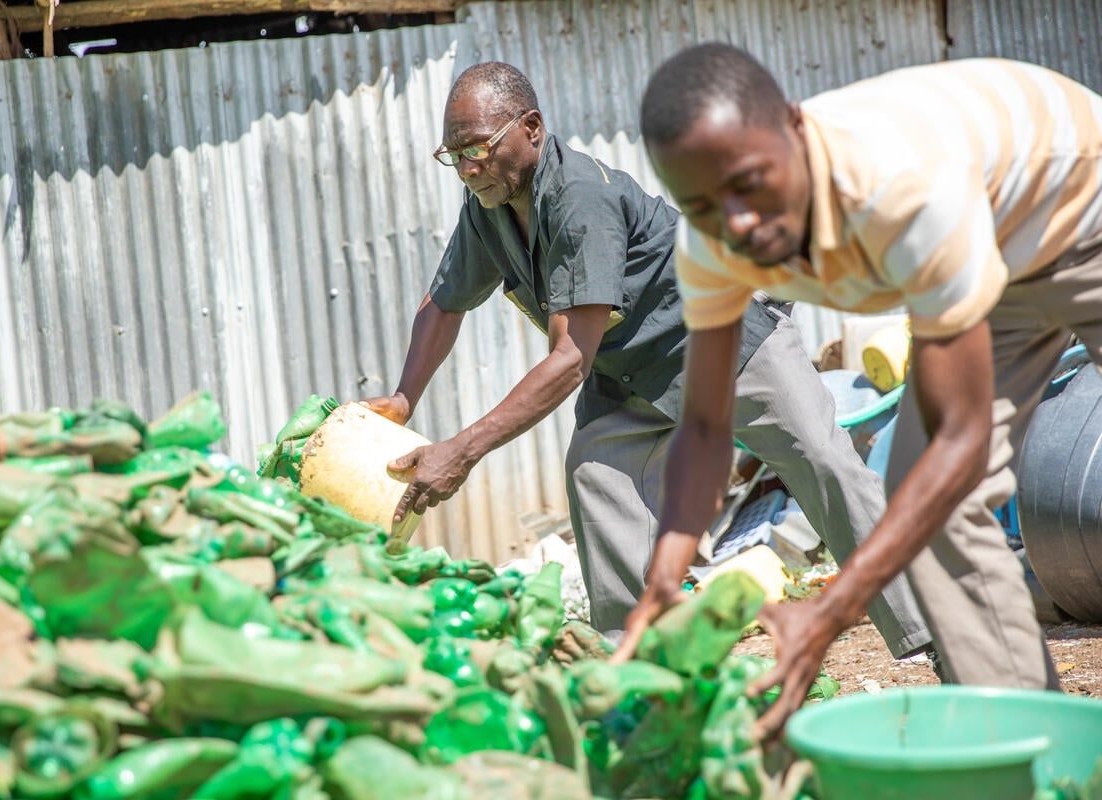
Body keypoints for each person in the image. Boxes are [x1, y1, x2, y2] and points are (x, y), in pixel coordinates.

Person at [363, 61, 930, 657]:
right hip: (632, 376)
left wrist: (462, 450)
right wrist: (404, 398)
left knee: (823, 463)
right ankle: (640, 670)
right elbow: (443, 303)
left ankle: (931, 631)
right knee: (598, 475)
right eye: (453, 155)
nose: (468, 167)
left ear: (531, 127)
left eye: (478, 148)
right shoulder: (487, 207)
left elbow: (568, 361)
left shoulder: (581, 197)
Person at [626, 42, 1098, 737]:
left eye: (751, 183)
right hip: (989, 249)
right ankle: (1034, 749)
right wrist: (667, 570)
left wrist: (832, 611)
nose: (738, 225)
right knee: (927, 496)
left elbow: (962, 440)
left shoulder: (896, 183)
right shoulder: (711, 241)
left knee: (937, 474)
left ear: (794, 126)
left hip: (1081, 197)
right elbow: (703, 426)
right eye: (701, 205)